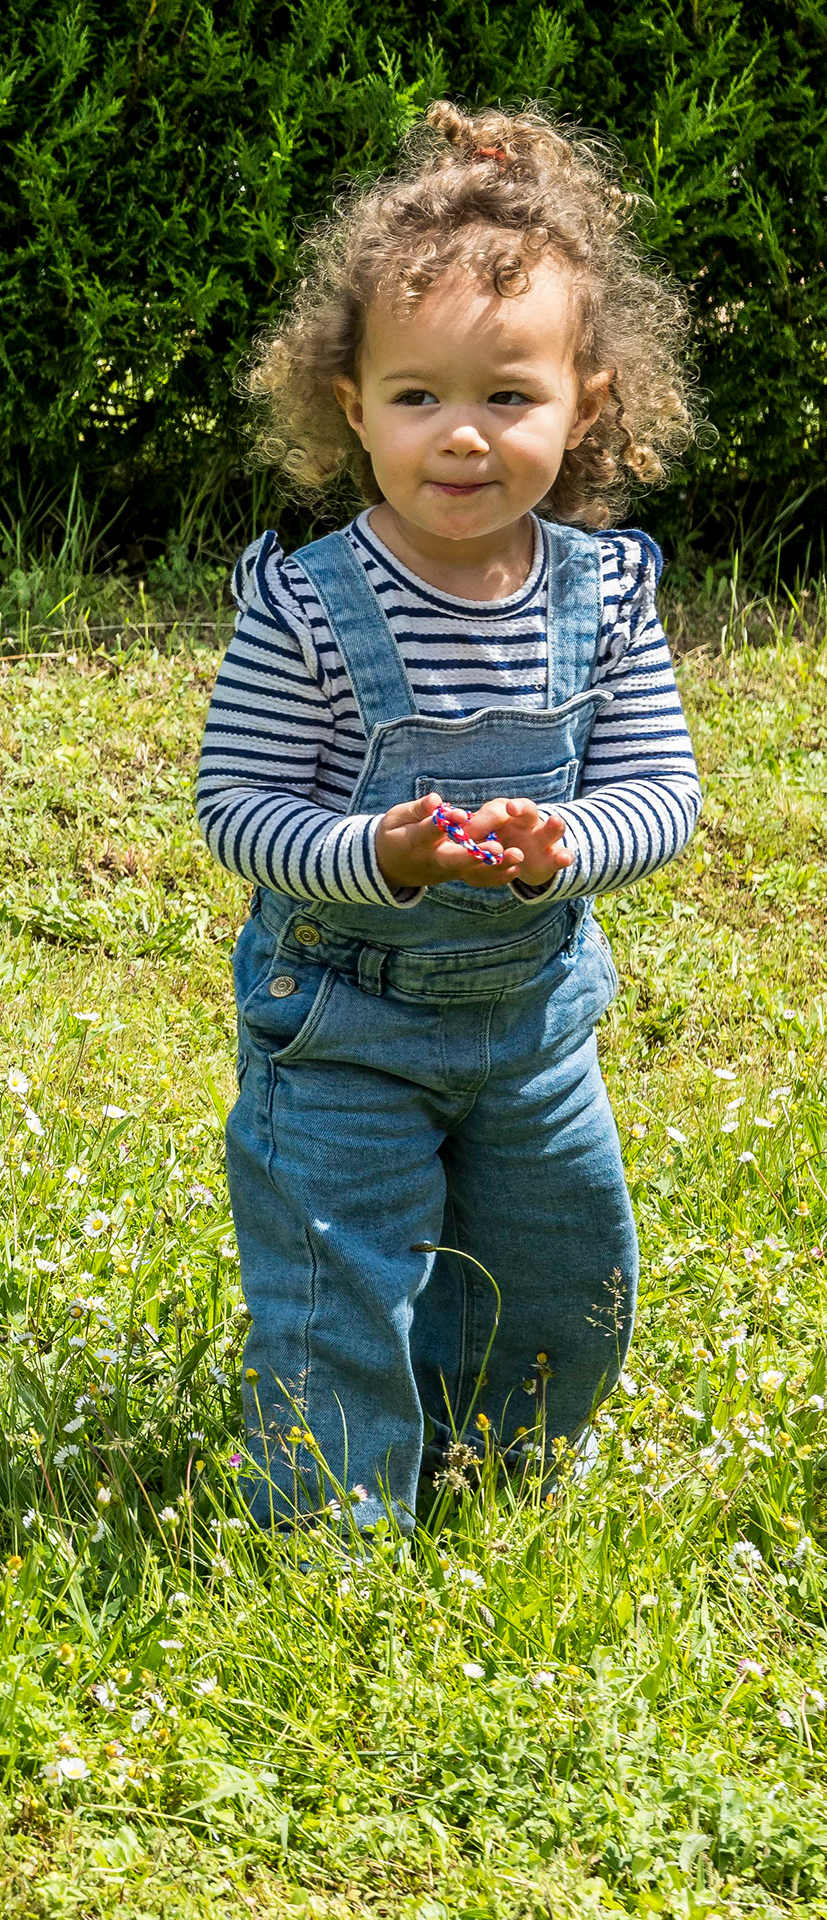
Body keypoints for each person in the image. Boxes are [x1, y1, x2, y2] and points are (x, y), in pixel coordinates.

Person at [194, 101, 702, 1532]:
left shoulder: (604, 596)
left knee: (564, 1278)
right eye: (417, 396)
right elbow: (236, 807)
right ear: (350, 405)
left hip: (535, 1021)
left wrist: (570, 844)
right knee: (338, 1282)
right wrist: (376, 855)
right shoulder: (307, 605)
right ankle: (329, 1545)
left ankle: (495, 1482)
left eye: (509, 397)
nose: (462, 435)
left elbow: (663, 790)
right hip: (341, 1021)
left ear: (586, 405)